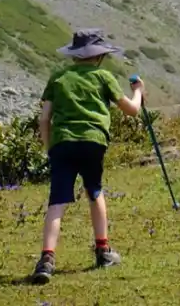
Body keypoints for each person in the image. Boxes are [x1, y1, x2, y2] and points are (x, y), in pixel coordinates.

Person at [32, 28, 146, 285]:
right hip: (93, 141)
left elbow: (44, 118)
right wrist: (138, 91)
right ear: (99, 56)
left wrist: (50, 148)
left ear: (75, 55)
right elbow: (132, 110)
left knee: (57, 201)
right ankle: (103, 251)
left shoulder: (58, 78)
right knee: (94, 191)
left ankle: (46, 260)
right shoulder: (103, 77)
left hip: (62, 143)